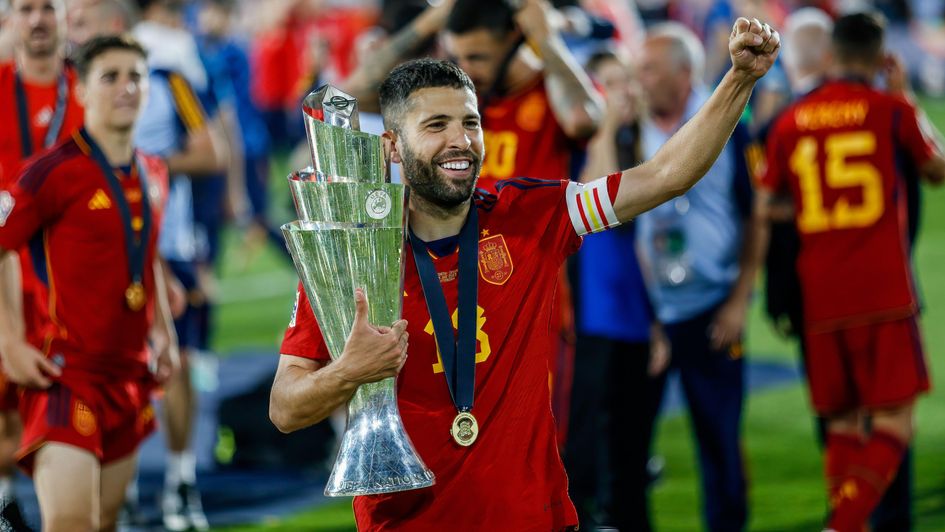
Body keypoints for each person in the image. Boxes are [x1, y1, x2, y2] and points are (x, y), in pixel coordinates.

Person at [270, 16, 779, 531]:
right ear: (393, 146)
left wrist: (739, 79)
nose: (460, 140)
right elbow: (285, 409)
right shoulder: (352, 256)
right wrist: (347, 371)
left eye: (470, 123)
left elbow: (666, 176)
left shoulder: (531, 215)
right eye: (436, 125)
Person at [756, 12, 944, 532]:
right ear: (882, 58)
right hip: (884, 292)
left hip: (820, 294)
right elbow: (936, 169)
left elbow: (767, 203)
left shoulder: (791, 120)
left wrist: (814, 210)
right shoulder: (889, 110)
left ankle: (844, 521)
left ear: (832, 55)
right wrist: (905, 95)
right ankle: (843, 525)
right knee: (895, 423)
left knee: (841, 423)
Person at [0, 34, 178, 532]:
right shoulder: (50, 172)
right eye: (110, 76)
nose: (126, 87)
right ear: (80, 89)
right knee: (72, 524)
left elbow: (147, 255)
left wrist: (163, 329)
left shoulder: (154, 170)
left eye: (135, 76)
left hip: (128, 375)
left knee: (104, 523)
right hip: (66, 374)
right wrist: (9, 341)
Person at [633, 22, 763, 532]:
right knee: (631, 443)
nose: (640, 79)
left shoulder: (727, 123)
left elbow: (756, 216)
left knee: (719, 438)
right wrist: (650, 317)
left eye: (650, 69)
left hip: (713, 307)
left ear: (683, 73)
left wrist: (739, 301)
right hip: (653, 314)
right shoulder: (629, 130)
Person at [564, 48, 668, 532]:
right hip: (594, 316)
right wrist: (604, 123)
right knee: (588, 437)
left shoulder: (641, 144)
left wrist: (658, 322)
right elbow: (597, 196)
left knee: (632, 441)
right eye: (609, 84)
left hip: (638, 312)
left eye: (627, 82)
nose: (623, 92)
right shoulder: (583, 145)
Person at [0, 0, 85, 526]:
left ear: (63, 16)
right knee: (5, 400)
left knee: (79, 393)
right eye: (25, 9)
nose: (37, 20)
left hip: (71, 273)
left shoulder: (88, 89)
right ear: (10, 20)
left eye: (47, 8)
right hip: (6, 265)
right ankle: (4, 503)